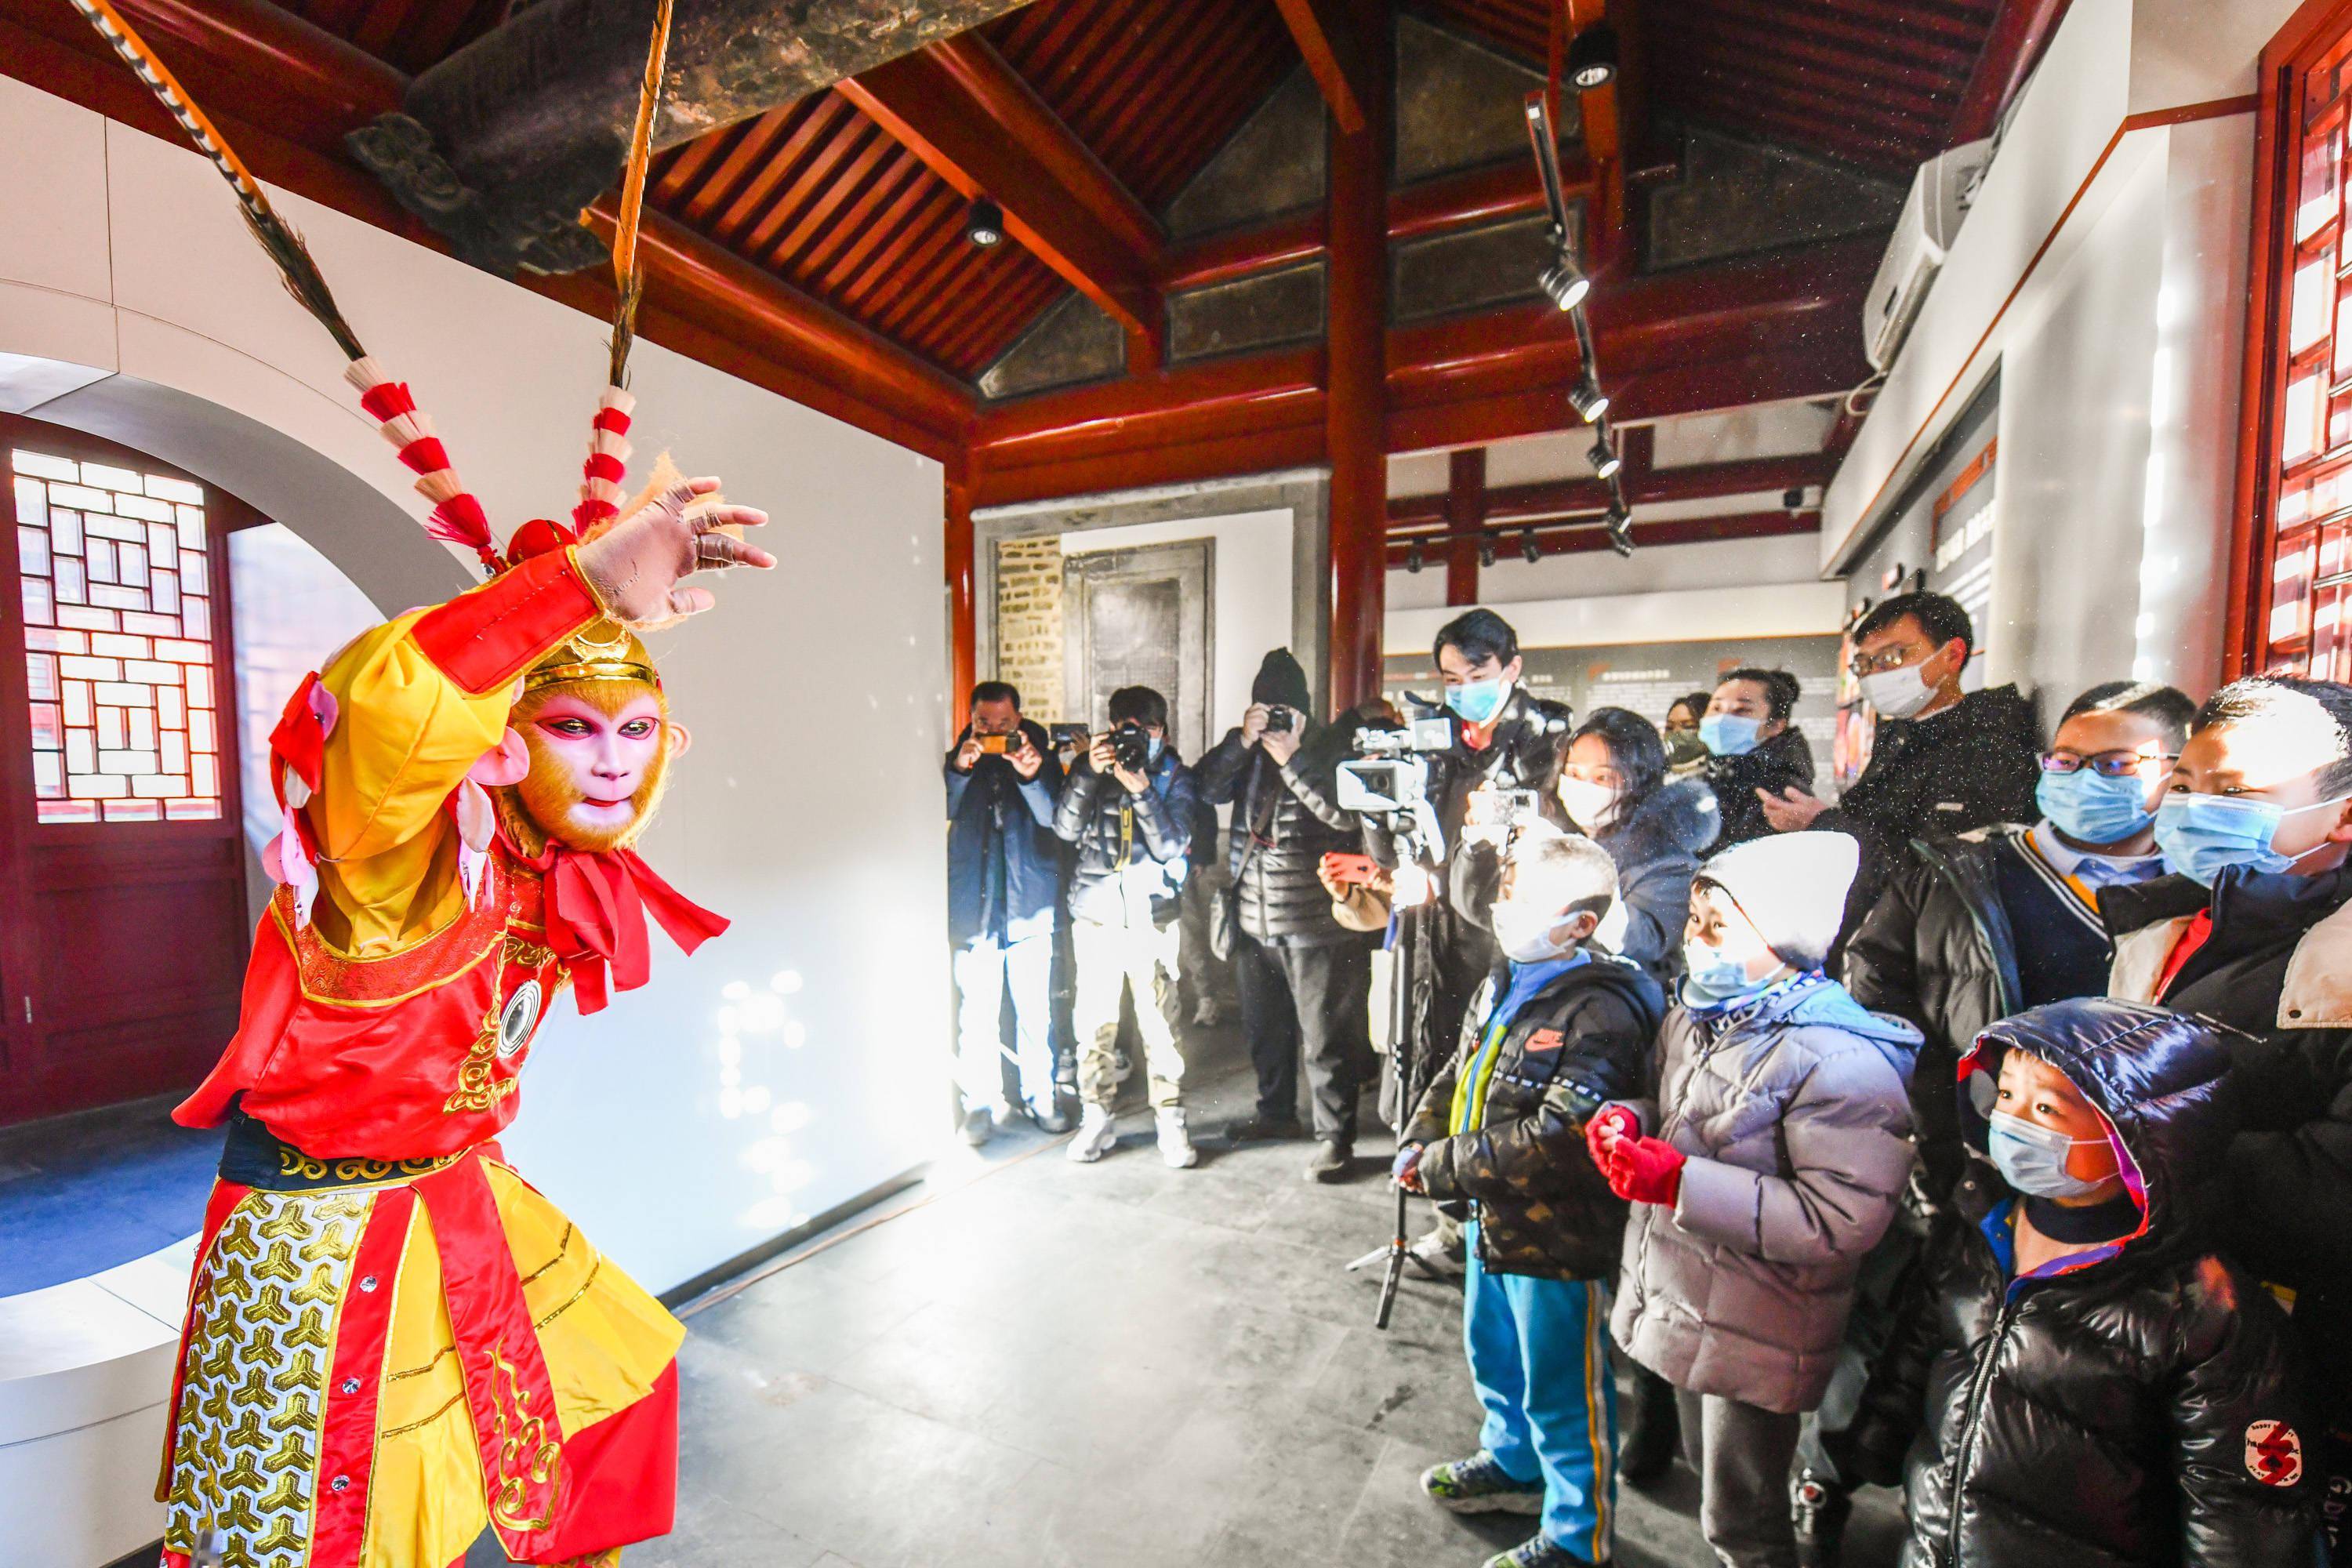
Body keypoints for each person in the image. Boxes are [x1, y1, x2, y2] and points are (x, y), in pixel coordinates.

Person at [164, 480, 775, 1563]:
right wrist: (574, 585)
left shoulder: (548, 865)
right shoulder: (404, 862)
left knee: (611, 1383)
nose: (611, 761)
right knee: (347, 1529)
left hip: (455, 1189)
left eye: (635, 730)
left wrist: (587, 612)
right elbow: (383, 719)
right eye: (573, 727)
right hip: (320, 1233)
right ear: (499, 738)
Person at [1795, 680, 2193, 1563]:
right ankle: (1829, 1484)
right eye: (2067, 759)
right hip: (1953, 1163)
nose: (2084, 778)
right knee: (1892, 1346)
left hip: (2115, 1209)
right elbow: (1875, 994)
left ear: (2176, 770)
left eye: (2116, 764)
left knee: (2043, 1395)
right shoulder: (1958, 869)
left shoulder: (2198, 894)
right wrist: (1937, 1125)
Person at [1842, 1000, 2318, 1568]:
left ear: (2134, 1138)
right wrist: (1879, 1435)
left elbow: (2236, 1505)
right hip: (1935, 1545)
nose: (2012, 1122)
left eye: (2046, 1107)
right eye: (2008, 1096)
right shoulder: (1982, 1224)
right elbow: (1924, 1339)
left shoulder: (2201, 1312)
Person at [1595, 832, 1920, 1568]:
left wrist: (1677, 1183)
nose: (1698, 941)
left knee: (1741, 1516)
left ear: (1786, 935)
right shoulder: (1696, 1016)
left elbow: (1840, 1218)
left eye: (1722, 925)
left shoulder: (1839, 1059)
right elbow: (1682, 1116)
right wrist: (1631, 1122)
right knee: (1703, 1466)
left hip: (1760, 1320)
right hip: (1687, 1295)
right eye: (1694, 921)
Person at [2104, 674, 2352, 1558]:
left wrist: (2127, 1154)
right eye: (2192, 783)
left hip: (2296, 1359)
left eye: (2240, 792)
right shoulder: (2167, 923)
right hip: (2161, 1322)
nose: (2198, 807)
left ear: (2343, 814)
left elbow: (2334, 1187)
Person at [1398, 835, 1668, 1568]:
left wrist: (1442, 1166)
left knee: (1563, 1391)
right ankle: (1512, 1465)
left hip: (1558, 1239)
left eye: (1525, 898)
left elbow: (1558, 1136)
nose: (1504, 906)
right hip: (1494, 1219)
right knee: (1495, 1355)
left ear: (1581, 923)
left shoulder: (1601, 1011)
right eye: (1508, 890)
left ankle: (1580, 1537)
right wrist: (1421, 1132)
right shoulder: (1509, 978)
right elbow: (1464, 1067)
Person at [1759, 593, 2039, 943]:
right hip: (1873, 942)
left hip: (1927, 953)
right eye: (1864, 664)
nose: (1875, 674)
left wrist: (1823, 822)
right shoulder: (1901, 736)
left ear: (1952, 655)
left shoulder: (1990, 747)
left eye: (1892, 657)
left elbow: (1943, 874)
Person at [1197, 649, 1374, 1181]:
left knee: (1325, 1038)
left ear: (1303, 709)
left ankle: (1335, 1138)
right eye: (1264, 705)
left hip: (1314, 922)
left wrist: (1293, 757)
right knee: (1264, 1030)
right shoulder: (1248, 750)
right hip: (1254, 918)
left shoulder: (1332, 747)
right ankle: (1276, 1114)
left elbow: (1344, 815)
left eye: (1283, 706)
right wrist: (1241, 740)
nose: (1274, 714)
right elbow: (1206, 790)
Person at [1054, 685, 1200, 1169]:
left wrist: (1142, 790)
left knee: (1161, 1024)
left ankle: (1171, 1120)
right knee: (1094, 1024)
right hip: (1096, 917)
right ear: (1112, 729)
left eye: (1148, 730)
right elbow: (1065, 830)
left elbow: (1171, 845)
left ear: (1163, 732)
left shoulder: (1176, 775)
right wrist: (1086, 774)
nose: (1136, 738)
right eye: (1126, 730)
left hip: (1151, 918)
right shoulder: (1091, 770)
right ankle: (1096, 1118)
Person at [947, 681, 1069, 1145]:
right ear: (972, 718)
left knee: (1034, 1011)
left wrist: (1031, 775)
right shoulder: (962, 756)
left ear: (1018, 718)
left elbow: (1052, 818)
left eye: (1003, 723)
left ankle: (1041, 1097)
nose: (994, 730)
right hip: (974, 905)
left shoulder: (1038, 755)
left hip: (1029, 903)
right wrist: (961, 767)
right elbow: (942, 806)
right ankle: (977, 1105)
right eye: (984, 722)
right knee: (975, 1014)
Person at [1552, 706, 1721, 985]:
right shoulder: (1560, 834)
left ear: (1639, 779)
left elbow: (1640, 942)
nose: (1582, 786)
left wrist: (1570, 874)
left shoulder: (1669, 862)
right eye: (1573, 773)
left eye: (1603, 777)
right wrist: (1478, 852)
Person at [1698, 669, 1816, 850]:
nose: (1722, 718)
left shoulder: (1781, 791)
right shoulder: (1711, 773)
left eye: (1742, 710)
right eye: (1716, 708)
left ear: (1776, 726)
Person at [1663, 690, 1715, 777]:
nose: (1676, 733)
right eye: (1669, 727)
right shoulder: (1655, 776)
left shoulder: (1722, 776)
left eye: (1689, 726)